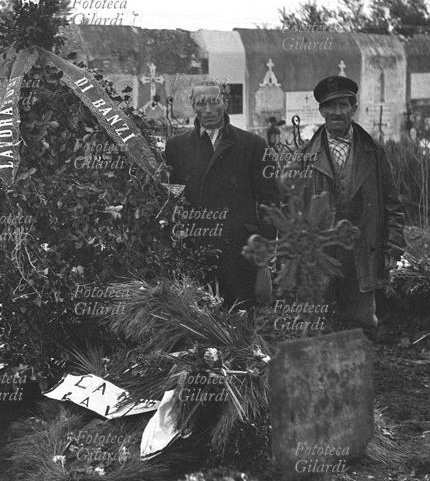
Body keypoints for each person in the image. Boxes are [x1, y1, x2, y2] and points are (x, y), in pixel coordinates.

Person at [291, 76, 404, 328]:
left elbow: (392, 203)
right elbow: (293, 211)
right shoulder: (304, 157)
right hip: (319, 256)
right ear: (321, 110)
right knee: (315, 322)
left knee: (362, 321)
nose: (337, 112)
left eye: (343, 105)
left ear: (354, 108)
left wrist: (393, 244)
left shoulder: (373, 151)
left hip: (361, 252)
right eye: (330, 106)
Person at [164, 81, 280, 309]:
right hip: (197, 250)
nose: (208, 110)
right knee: (202, 323)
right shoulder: (176, 147)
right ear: (193, 107)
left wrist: (263, 256)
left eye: (214, 101)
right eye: (201, 103)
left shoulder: (252, 145)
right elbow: (172, 199)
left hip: (240, 251)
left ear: (225, 102)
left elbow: (269, 202)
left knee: (240, 322)